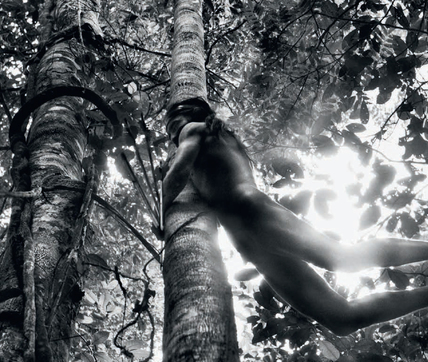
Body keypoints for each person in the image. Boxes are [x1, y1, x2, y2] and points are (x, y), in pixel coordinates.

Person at [163, 98, 428, 336]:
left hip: (252, 212)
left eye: (173, 120)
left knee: (340, 258)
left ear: (191, 114)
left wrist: (164, 212)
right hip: (255, 245)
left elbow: (180, 169)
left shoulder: (195, 130)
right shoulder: (217, 143)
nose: (170, 129)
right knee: (342, 319)